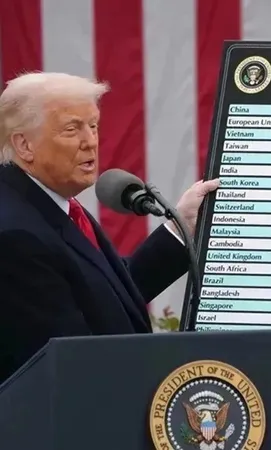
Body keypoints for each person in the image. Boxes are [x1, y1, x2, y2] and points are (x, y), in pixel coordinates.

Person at [0, 72, 219, 384]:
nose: (90, 141)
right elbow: (71, 365)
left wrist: (181, 227)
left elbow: (104, 297)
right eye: (72, 129)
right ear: (24, 145)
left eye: (93, 126)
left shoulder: (50, 203)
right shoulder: (15, 235)